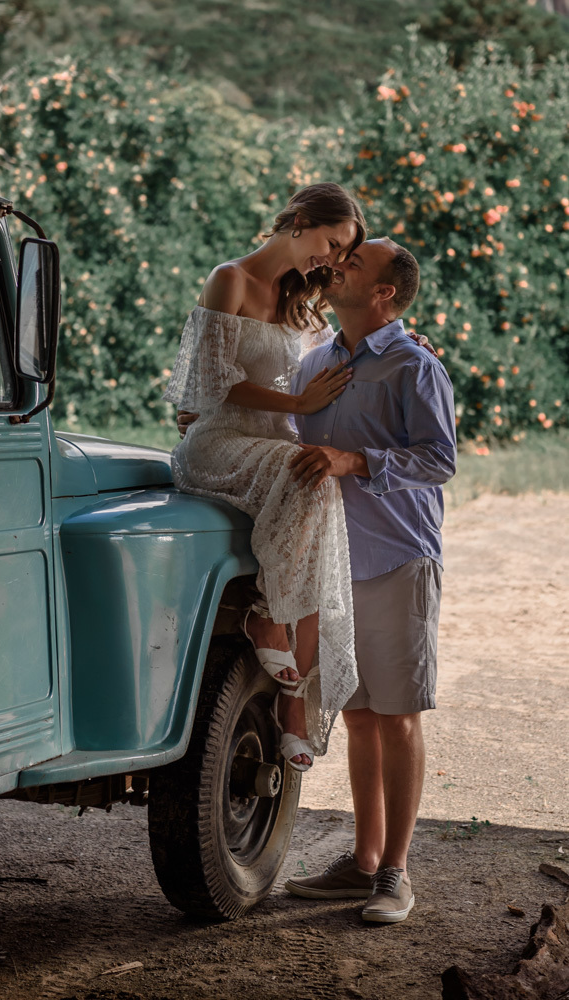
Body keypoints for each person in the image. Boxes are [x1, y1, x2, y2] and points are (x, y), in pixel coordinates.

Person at [282, 237, 457, 923]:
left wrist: (354, 462)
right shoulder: (316, 360)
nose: (341, 264)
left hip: (396, 558)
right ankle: (362, 863)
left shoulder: (415, 366)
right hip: (328, 560)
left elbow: (438, 460)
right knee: (356, 714)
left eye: (358, 262)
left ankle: (396, 874)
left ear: (387, 292)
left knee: (397, 716)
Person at [163, 184, 366, 770]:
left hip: (276, 446)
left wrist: (416, 347)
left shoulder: (304, 302)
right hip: (219, 442)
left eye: (340, 253)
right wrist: (300, 407)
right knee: (307, 475)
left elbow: (346, 357)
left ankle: (292, 704)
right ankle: (268, 624)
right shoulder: (229, 279)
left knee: (315, 496)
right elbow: (212, 381)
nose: (328, 261)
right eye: (330, 243)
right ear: (298, 221)